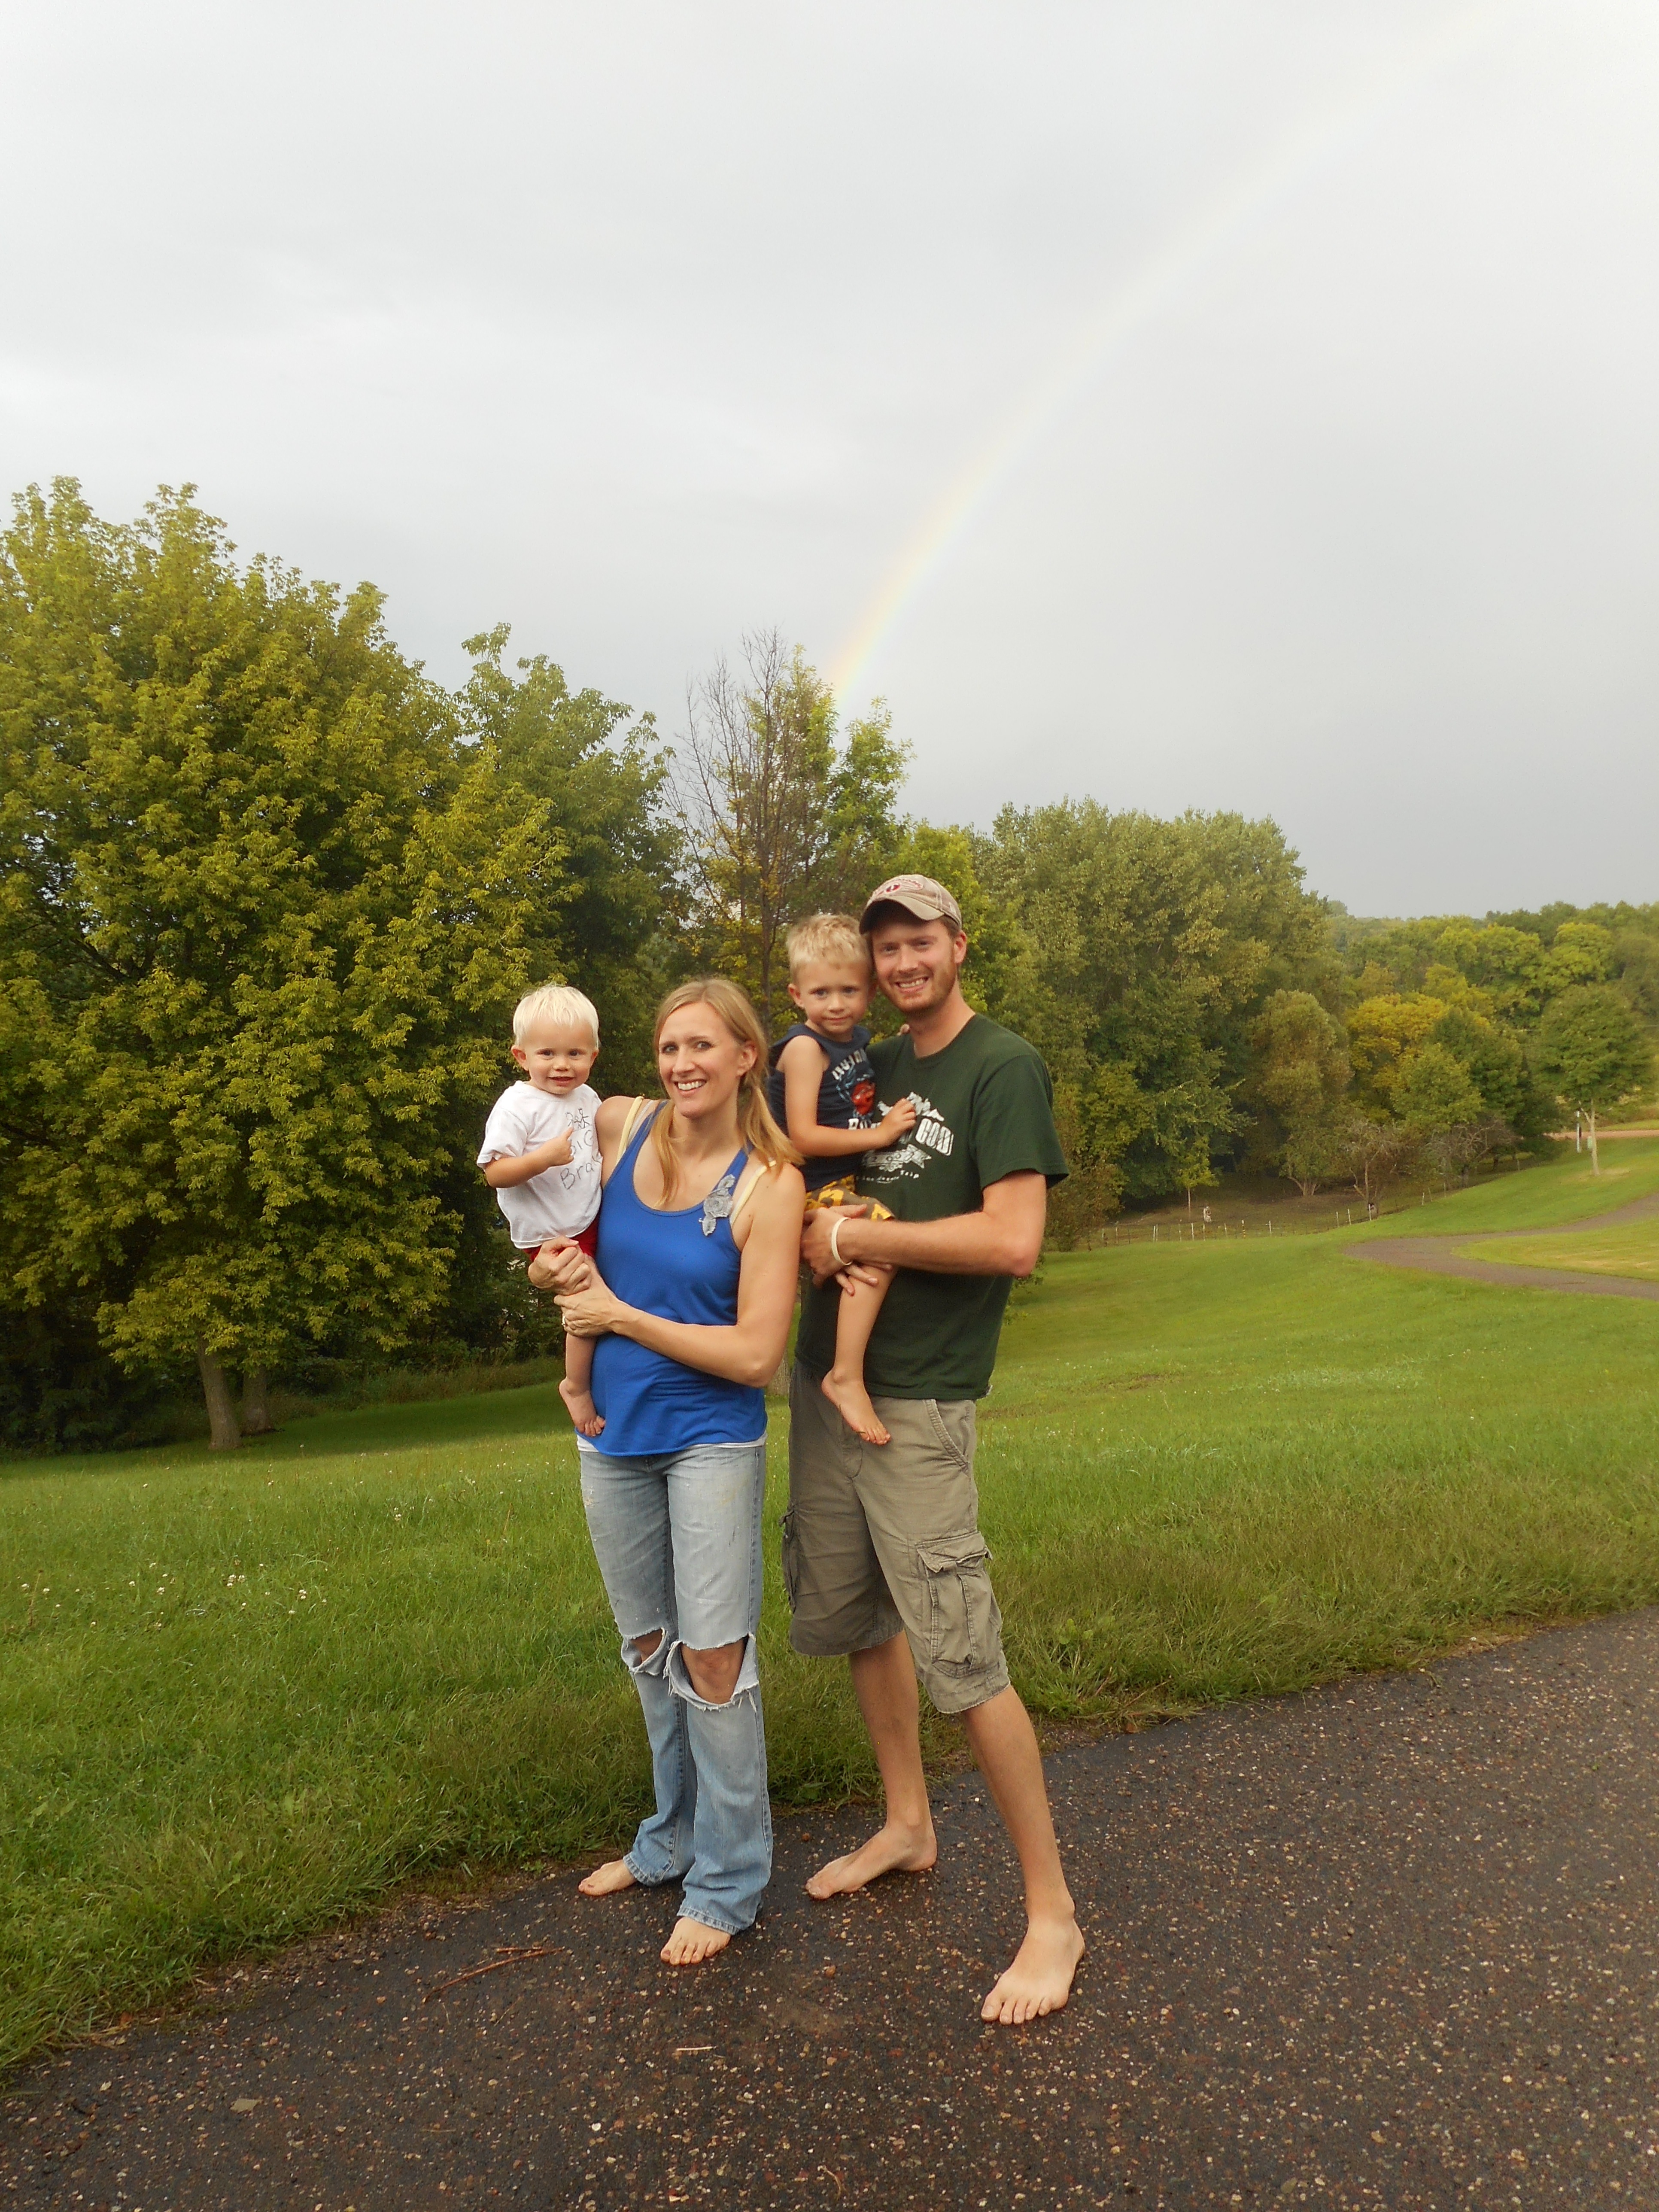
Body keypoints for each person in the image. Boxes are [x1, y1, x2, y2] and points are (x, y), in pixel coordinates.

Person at [784, 873, 1085, 2025]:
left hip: (919, 1397)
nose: (903, 963)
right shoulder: (863, 1061)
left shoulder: (1000, 1066)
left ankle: (1052, 1914)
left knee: (962, 1653)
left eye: (921, 942)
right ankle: (909, 1824)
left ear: (959, 946)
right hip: (829, 1382)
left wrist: (858, 1237)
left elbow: (1015, 1241)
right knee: (864, 1619)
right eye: (886, 949)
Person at [531, 978, 805, 1966]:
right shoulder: (618, 1123)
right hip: (611, 1435)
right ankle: (671, 1839)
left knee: (715, 1661)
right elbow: (543, 1211)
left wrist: (619, 1316)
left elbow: (757, 1357)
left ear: (746, 1057)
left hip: (709, 1440)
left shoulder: (770, 1183)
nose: (682, 1064)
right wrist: (548, 1267)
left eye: (702, 1046)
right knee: (650, 1648)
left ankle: (728, 1883)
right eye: (669, 1046)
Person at [766, 912, 918, 1446]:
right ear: (797, 995)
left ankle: (846, 1364)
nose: (836, 1004)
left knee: (869, 1253)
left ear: (870, 991)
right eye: (821, 993)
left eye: (849, 991)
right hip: (802, 1187)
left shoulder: (854, 1042)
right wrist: (881, 1134)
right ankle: (845, 1374)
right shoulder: (805, 1049)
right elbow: (803, 1135)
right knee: (882, 1238)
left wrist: (906, 1040)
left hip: (834, 1181)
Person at [477, 984, 605, 1436]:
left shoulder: (588, 1098)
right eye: (548, 1053)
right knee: (587, 1300)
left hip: (589, 1216)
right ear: (521, 1057)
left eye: (575, 1053)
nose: (562, 1065)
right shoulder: (518, 1106)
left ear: (593, 1055)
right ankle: (576, 1386)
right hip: (552, 1233)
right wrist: (542, 1159)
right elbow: (495, 1173)